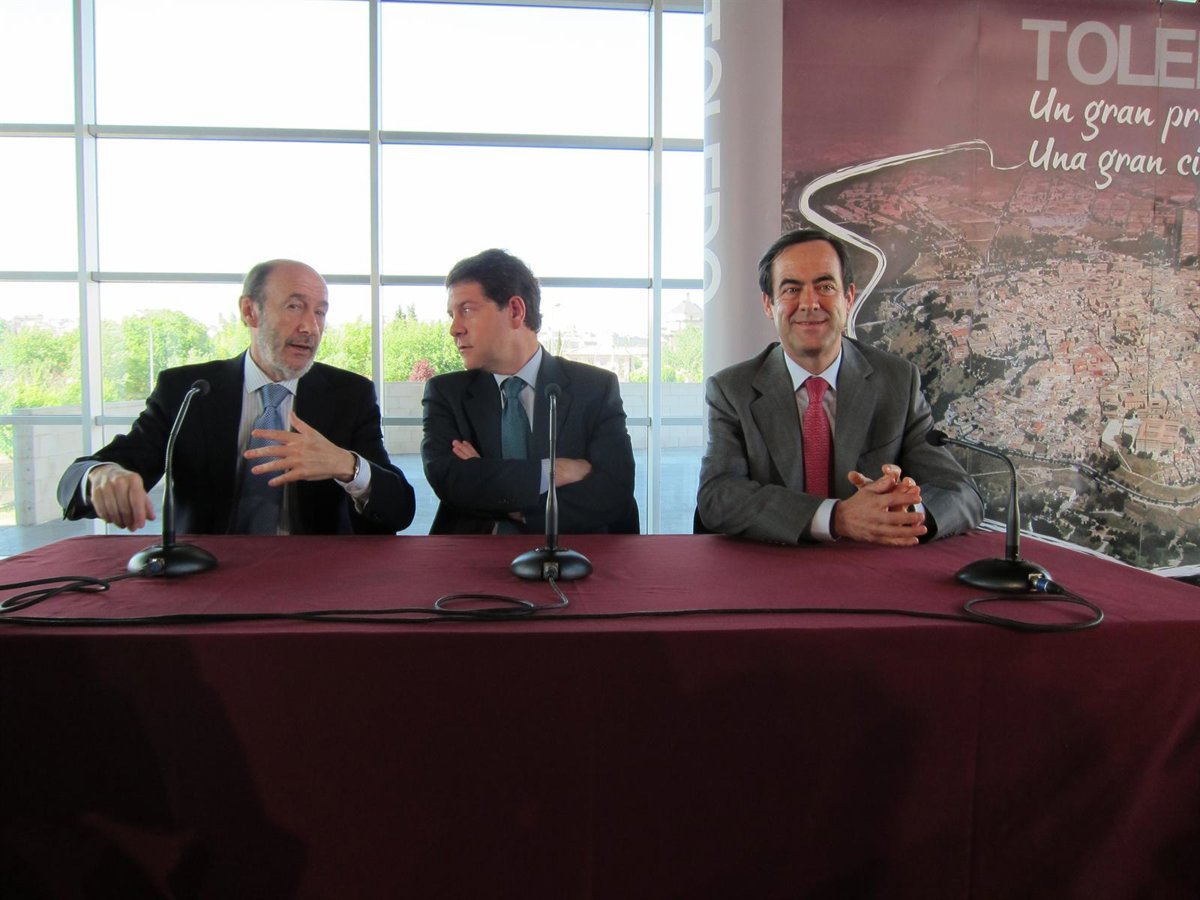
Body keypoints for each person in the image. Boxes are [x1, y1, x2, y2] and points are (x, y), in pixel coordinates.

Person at [58, 259, 415, 535]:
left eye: (320, 312)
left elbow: (400, 509)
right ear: (249, 311)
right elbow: (79, 477)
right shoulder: (187, 390)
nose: (311, 326)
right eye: (295, 306)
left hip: (314, 576)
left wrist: (348, 465)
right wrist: (100, 476)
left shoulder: (349, 394)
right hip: (206, 576)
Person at [697, 229, 983, 545]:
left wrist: (904, 510)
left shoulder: (897, 381)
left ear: (848, 298)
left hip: (869, 567)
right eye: (791, 289)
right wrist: (837, 517)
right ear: (768, 304)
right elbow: (718, 496)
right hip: (775, 565)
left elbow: (961, 493)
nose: (809, 303)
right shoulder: (732, 390)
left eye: (825, 286)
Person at [421, 248, 637, 535]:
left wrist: (487, 478)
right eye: (452, 314)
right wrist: (554, 471)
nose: (454, 329)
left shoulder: (595, 387)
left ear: (515, 311)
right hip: (474, 551)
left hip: (575, 551)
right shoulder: (446, 393)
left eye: (467, 310)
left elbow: (613, 488)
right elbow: (450, 480)